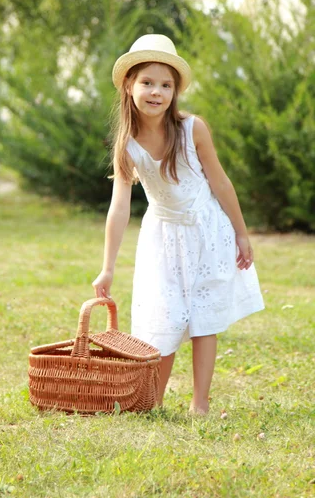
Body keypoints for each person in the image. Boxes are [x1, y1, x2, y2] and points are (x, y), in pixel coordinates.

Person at [92, 34, 264, 415]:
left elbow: (220, 182)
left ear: (174, 91)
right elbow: (119, 208)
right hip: (163, 236)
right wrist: (108, 267)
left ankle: (199, 403)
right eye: (147, 83)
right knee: (163, 317)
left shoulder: (192, 129)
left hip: (207, 231)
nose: (157, 92)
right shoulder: (127, 145)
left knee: (204, 317)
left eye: (166, 85)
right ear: (128, 85)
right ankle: (153, 400)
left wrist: (240, 232)